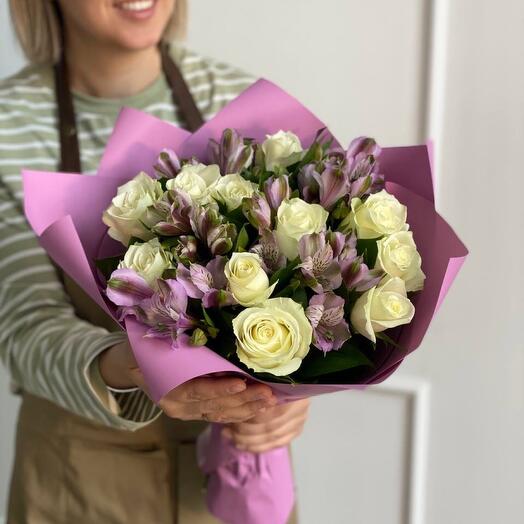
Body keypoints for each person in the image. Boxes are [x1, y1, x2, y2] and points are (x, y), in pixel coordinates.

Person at [0, 1, 309, 522]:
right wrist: (139, 368)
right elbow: (25, 330)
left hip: (233, 480)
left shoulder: (237, 102)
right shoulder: (8, 127)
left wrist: (289, 385)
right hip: (77, 486)